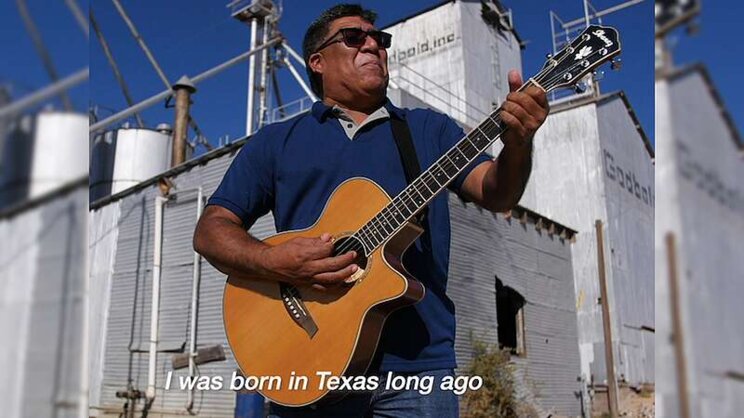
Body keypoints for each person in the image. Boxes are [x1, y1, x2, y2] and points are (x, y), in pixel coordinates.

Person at [193, 3, 548, 417]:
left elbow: (497, 193)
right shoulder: (275, 141)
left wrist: (519, 142)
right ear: (317, 62)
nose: (374, 46)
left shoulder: (430, 130)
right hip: (306, 364)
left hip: (419, 373)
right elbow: (210, 231)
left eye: (380, 40)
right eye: (354, 38)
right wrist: (274, 261)